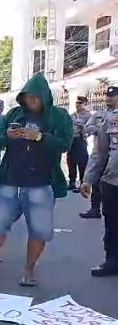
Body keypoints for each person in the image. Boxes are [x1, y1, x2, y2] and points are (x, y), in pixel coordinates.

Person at [0, 73, 73, 286]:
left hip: (41, 182)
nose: (30, 102)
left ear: (44, 97)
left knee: (39, 229)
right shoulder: (14, 114)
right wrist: (8, 135)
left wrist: (41, 137)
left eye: (34, 98)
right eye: (27, 97)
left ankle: (29, 269)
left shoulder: (59, 116)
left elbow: (65, 144)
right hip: (10, 180)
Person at [81, 85, 118, 277]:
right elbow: (99, 153)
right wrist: (88, 179)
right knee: (112, 224)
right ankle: (112, 262)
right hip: (112, 181)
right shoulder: (111, 120)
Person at [80, 87, 118, 219]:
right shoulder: (106, 117)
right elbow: (99, 153)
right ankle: (95, 209)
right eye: (107, 96)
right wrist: (88, 179)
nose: (108, 98)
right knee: (112, 230)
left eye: (112, 96)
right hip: (112, 176)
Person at [67, 96, 92, 193]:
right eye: (77, 103)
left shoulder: (88, 116)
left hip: (80, 140)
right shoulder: (72, 115)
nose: (78, 105)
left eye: (80, 103)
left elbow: (91, 129)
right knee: (70, 161)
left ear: (85, 104)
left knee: (82, 163)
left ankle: (82, 183)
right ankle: (72, 182)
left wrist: (83, 127)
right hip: (71, 140)